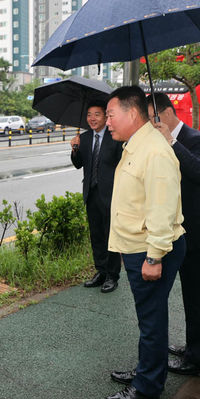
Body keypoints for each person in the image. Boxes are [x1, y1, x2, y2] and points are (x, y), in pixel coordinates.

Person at [103, 87, 186, 399]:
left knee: (151, 320)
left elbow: (162, 209)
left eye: (110, 114)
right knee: (149, 316)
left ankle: (148, 386)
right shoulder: (136, 145)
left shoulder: (154, 151)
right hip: (137, 247)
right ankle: (146, 369)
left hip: (151, 250)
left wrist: (153, 256)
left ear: (132, 113)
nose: (107, 121)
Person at [148, 93, 200, 376]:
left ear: (167, 114)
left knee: (199, 296)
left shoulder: (196, 139)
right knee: (194, 295)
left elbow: (199, 171)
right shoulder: (166, 143)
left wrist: (171, 141)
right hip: (185, 233)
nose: (150, 124)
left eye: (152, 118)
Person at [70, 101, 124, 293]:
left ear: (105, 117)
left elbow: (122, 165)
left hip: (111, 195)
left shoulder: (115, 137)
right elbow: (78, 164)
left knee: (111, 235)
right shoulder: (83, 138)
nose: (92, 118)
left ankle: (112, 275)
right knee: (96, 235)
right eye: (89, 115)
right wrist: (75, 149)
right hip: (91, 194)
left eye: (97, 115)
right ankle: (100, 271)